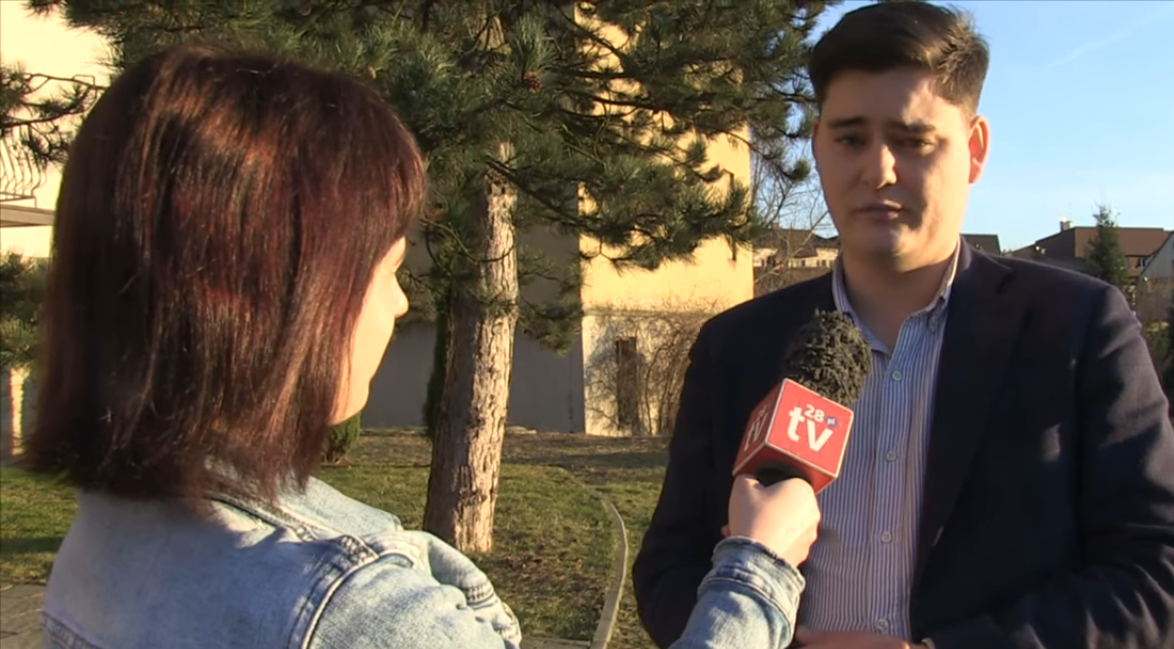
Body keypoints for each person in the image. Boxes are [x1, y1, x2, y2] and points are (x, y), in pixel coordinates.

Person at [22, 43, 821, 649]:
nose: (401, 303)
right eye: (386, 270)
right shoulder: (355, 610)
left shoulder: (113, 530)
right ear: (282, 299)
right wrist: (758, 565)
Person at [632, 3, 1174, 649]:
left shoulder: (1076, 328)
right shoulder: (736, 346)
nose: (878, 170)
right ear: (818, 143)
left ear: (974, 149)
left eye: (912, 140)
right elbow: (668, 570)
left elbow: (1162, 573)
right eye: (850, 139)